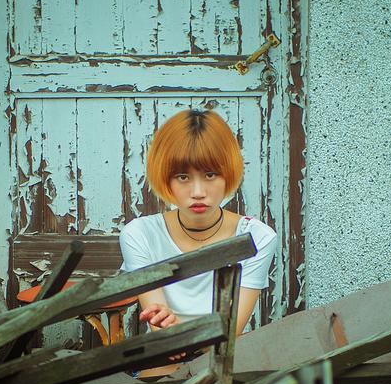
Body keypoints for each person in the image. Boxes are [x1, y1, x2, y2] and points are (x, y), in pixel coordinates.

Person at [118, 108, 278, 343]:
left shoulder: (257, 237)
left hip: (227, 357)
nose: (198, 192)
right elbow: (160, 328)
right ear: (166, 179)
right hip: (163, 356)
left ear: (228, 174)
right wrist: (168, 328)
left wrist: (178, 332)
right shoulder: (140, 234)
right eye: (183, 177)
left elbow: (230, 331)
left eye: (210, 175)